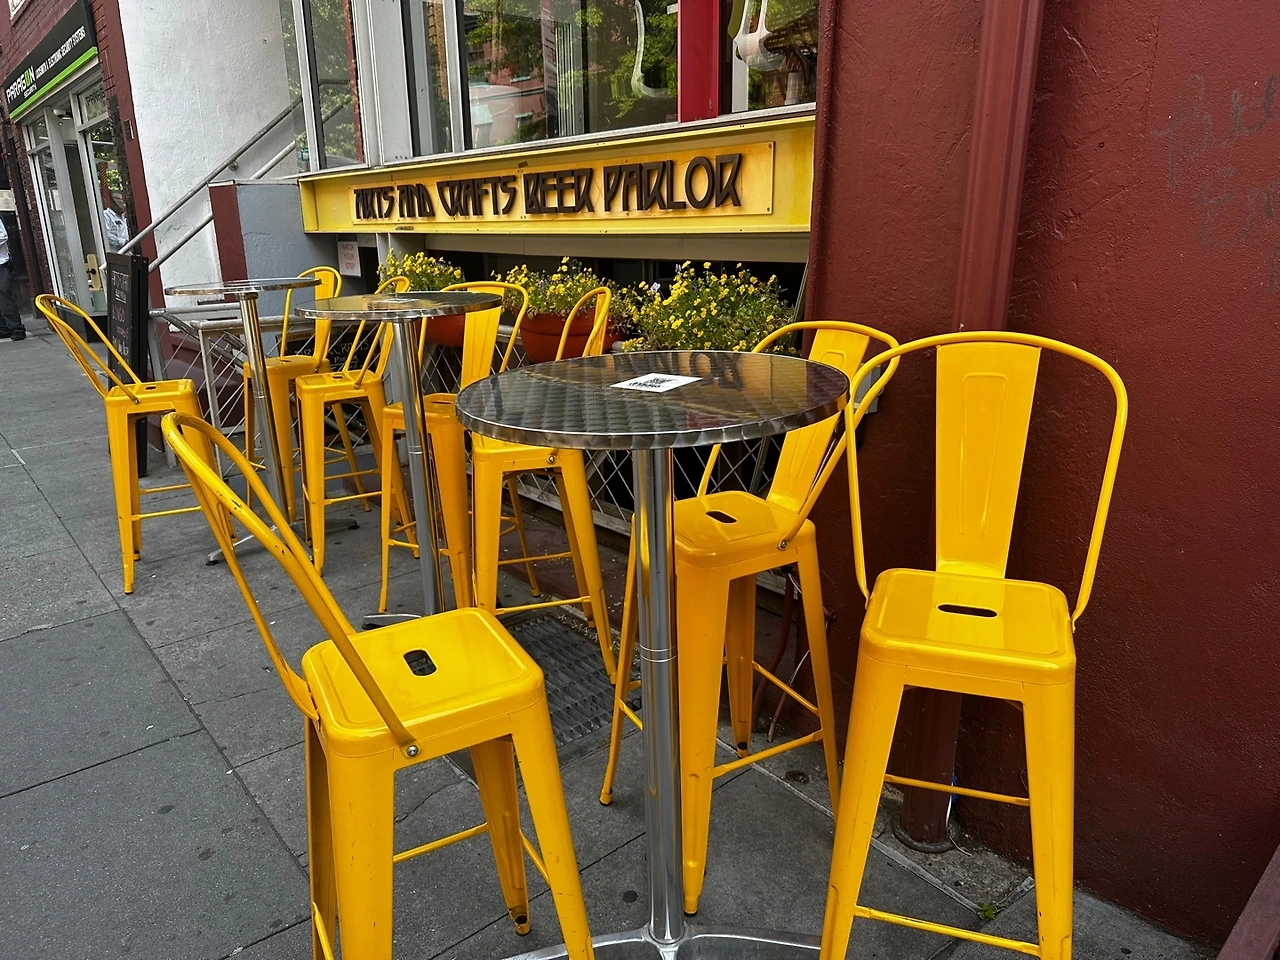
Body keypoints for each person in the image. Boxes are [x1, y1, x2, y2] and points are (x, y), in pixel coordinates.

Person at [0, 216, 26, 342]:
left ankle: (16, 328)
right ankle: (3, 328)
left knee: (4, 295)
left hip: (1, 263)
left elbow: (3, 236)